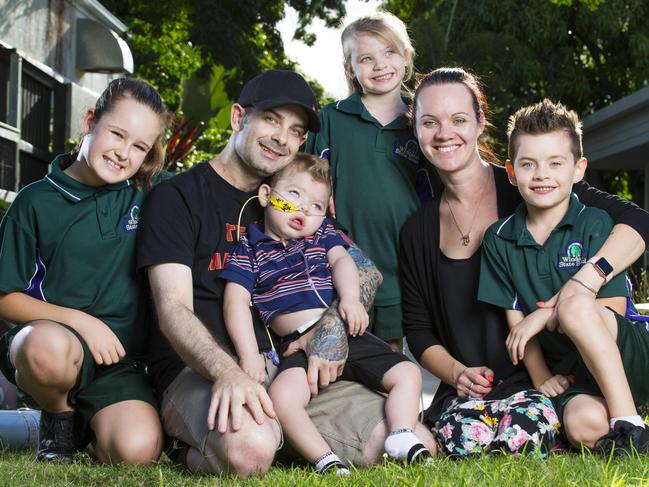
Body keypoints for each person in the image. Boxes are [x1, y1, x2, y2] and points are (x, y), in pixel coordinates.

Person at [137, 70, 436, 477]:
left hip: (291, 363)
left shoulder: (296, 198)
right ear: (239, 117)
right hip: (201, 368)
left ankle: (284, 433)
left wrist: (329, 331)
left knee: (408, 440)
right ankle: (196, 441)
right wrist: (229, 372)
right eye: (272, 120)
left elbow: (364, 272)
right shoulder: (178, 196)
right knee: (250, 450)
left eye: (295, 130)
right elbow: (172, 310)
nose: (282, 137)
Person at [399, 67, 649, 456]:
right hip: (504, 385)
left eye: (459, 119)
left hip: (571, 365)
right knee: (577, 425)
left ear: (481, 123)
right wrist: (458, 374)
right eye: (430, 122)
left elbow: (637, 222)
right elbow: (418, 330)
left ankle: (627, 422)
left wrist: (576, 288)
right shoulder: (422, 229)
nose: (445, 132)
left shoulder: (538, 187)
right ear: (413, 129)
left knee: (579, 401)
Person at [221, 154, 431, 474]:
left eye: (317, 206)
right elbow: (236, 301)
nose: (304, 209)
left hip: (347, 329)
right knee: (282, 396)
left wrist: (349, 299)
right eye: (294, 195)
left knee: (407, 373)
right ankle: (324, 458)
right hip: (296, 343)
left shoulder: (321, 236)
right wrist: (249, 354)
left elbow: (344, 262)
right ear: (265, 195)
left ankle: (401, 434)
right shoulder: (250, 248)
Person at [0, 78, 170, 464]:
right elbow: (3, 296)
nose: (124, 153)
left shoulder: (151, 193)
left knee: (136, 451)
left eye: (139, 147)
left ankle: (87, 427)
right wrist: (79, 321)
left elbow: (216, 187)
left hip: (120, 365)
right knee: (48, 349)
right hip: (52, 348)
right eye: (117, 134)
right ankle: (58, 417)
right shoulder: (36, 202)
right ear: (90, 120)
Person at [479, 99, 649, 456]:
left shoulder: (595, 222)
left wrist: (543, 314)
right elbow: (517, 327)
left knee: (576, 304)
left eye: (556, 163)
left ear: (578, 169)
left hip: (626, 353)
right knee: (580, 425)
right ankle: (623, 422)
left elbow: (610, 309)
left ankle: (629, 424)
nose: (542, 174)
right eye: (529, 164)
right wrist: (543, 378)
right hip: (577, 375)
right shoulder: (499, 238)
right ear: (511, 172)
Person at [306, 13, 433, 351]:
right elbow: (304, 180)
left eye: (389, 52)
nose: (380, 65)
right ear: (351, 69)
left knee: (388, 358)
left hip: (398, 265)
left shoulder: (421, 123)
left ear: (405, 56)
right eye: (366, 58)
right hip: (338, 260)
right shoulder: (330, 119)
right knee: (334, 356)